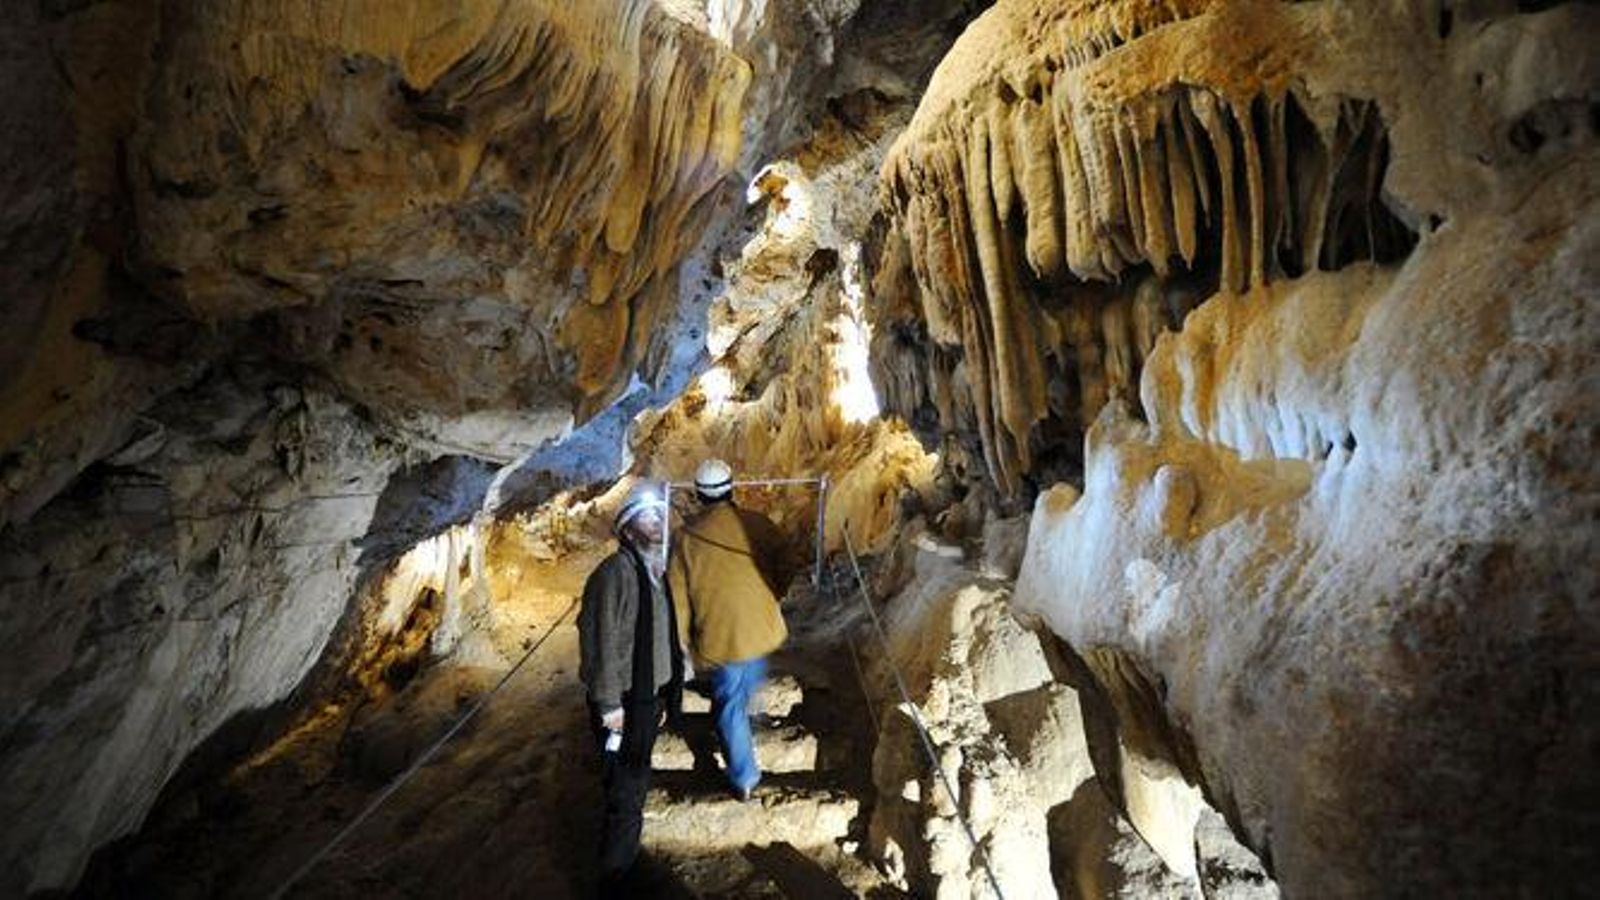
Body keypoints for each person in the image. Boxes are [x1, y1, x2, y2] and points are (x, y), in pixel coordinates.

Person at [577, 480, 682, 896]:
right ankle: (615, 874)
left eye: (659, 515)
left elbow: (657, 635)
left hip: (645, 698)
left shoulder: (654, 574)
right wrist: (607, 705)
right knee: (624, 783)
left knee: (633, 778)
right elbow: (599, 641)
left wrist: (668, 679)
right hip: (620, 701)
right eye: (645, 517)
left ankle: (624, 855)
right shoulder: (614, 574)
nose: (656, 522)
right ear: (626, 529)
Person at [668, 459, 791, 801]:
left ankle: (745, 774)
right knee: (745, 675)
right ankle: (754, 714)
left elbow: (677, 599)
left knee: (731, 703)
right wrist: (774, 593)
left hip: (722, 634)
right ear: (731, 488)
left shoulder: (685, 539)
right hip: (762, 626)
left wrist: (682, 643)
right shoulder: (757, 524)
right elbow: (787, 558)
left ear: (697, 495)